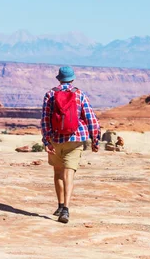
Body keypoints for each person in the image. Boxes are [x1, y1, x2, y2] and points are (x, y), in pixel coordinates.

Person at [41, 65, 101, 224]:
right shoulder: (79, 94)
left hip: (55, 138)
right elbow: (91, 119)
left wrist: (46, 140)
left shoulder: (50, 94)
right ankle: (66, 209)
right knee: (69, 174)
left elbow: (45, 120)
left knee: (58, 173)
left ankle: (60, 205)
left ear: (59, 79)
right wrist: (95, 140)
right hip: (75, 139)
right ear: (72, 79)